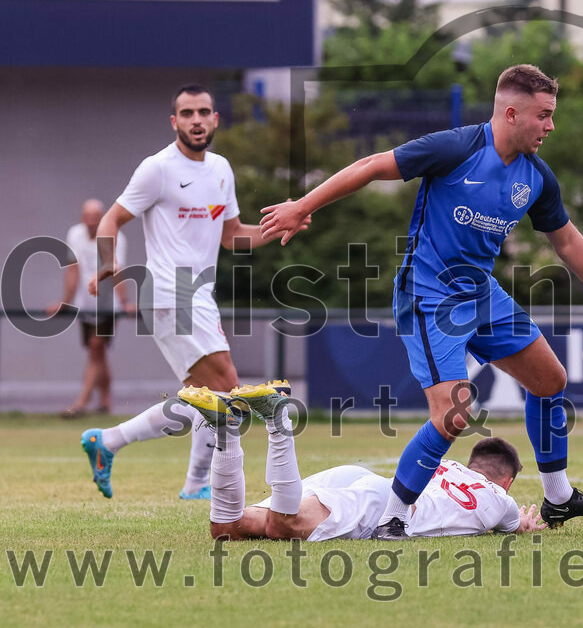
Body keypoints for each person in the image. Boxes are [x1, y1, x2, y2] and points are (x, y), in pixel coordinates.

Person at [260, 64, 583, 539]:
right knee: (453, 414)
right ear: (511, 113)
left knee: (551, 379)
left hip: (481, 292)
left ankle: (559, 498)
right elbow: (370, 167)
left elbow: (566, 240)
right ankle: (395, 518)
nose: (550, 125)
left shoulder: (537, 176)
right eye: (544, 115)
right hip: (430, 293)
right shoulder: (455, 147)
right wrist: (302, 206)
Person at [79, 84, 308, 500]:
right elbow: (112, 218)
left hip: (198, 293)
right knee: (225, 388)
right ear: (174, 122)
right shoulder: (158, 169)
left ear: (215, 119)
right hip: (171, 290)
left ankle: (118, 446)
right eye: (187, 113)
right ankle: (185, 477)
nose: (196, 120)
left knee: (209, 398)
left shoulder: (221, 169)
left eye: (204, 112)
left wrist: (277, 229)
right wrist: (107, 261)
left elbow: (233, 237)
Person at [177, 382, 544, 540]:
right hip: (382, 506)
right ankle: (277, 418)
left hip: (367, 482)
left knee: (227, 530)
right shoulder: (501, 501)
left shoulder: (451, 468)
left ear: (472, 460)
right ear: (507, 481)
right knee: (282, 525)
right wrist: (525, 524)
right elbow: (516, 526)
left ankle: (224, 429)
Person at [47, 199, 135, 417]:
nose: (91, 222)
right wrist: (65, 301)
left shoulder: (114, 236)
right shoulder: (75, 234)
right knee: (98, 352)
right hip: (84, 303)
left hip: (107, 304)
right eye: (88, 216)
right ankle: (105, 402)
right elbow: (73, 271)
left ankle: (81, 403)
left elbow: (116, 271)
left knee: (96, 347)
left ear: (103, 217)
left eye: (96, 217)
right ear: (81, 217)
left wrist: (124, 302)